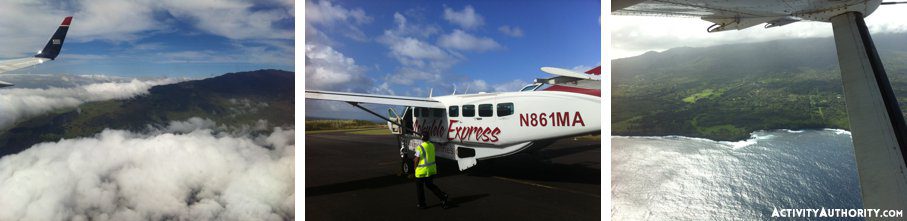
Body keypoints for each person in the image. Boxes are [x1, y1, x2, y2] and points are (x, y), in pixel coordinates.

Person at [414, 131, 449, 209]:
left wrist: (415, 168)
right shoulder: (432, 146)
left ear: (421, 138)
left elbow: (416, 160)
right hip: (430, 170)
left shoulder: (419, 147)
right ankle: (443, 196)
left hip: (421, 172)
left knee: (420, 188)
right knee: (430, 185)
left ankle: (422, 204)